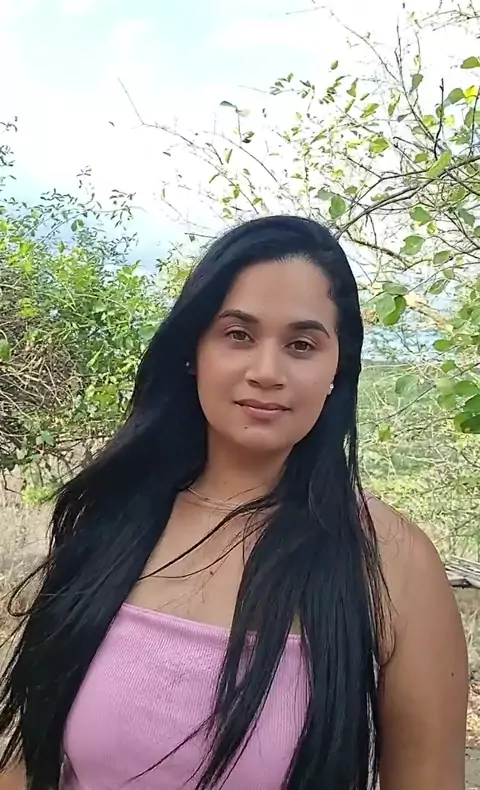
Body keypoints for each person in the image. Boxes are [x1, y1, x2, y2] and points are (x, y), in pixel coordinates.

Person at [0, 216, 468, 790]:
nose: (266, 372)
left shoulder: (392, 561)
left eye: (301, 345)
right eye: (238, 335)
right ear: (193, 351)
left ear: (337, 369)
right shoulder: (107, 520)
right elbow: (28, 760)